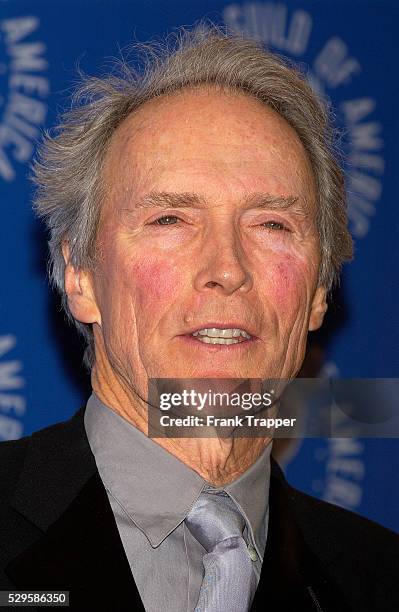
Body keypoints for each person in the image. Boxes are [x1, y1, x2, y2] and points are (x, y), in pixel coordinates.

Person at [0, 25, 397, 612]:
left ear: (317, 291)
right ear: (81, 275)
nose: (227, 269)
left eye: (271, 224)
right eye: (170, 220)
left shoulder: (382, 579)